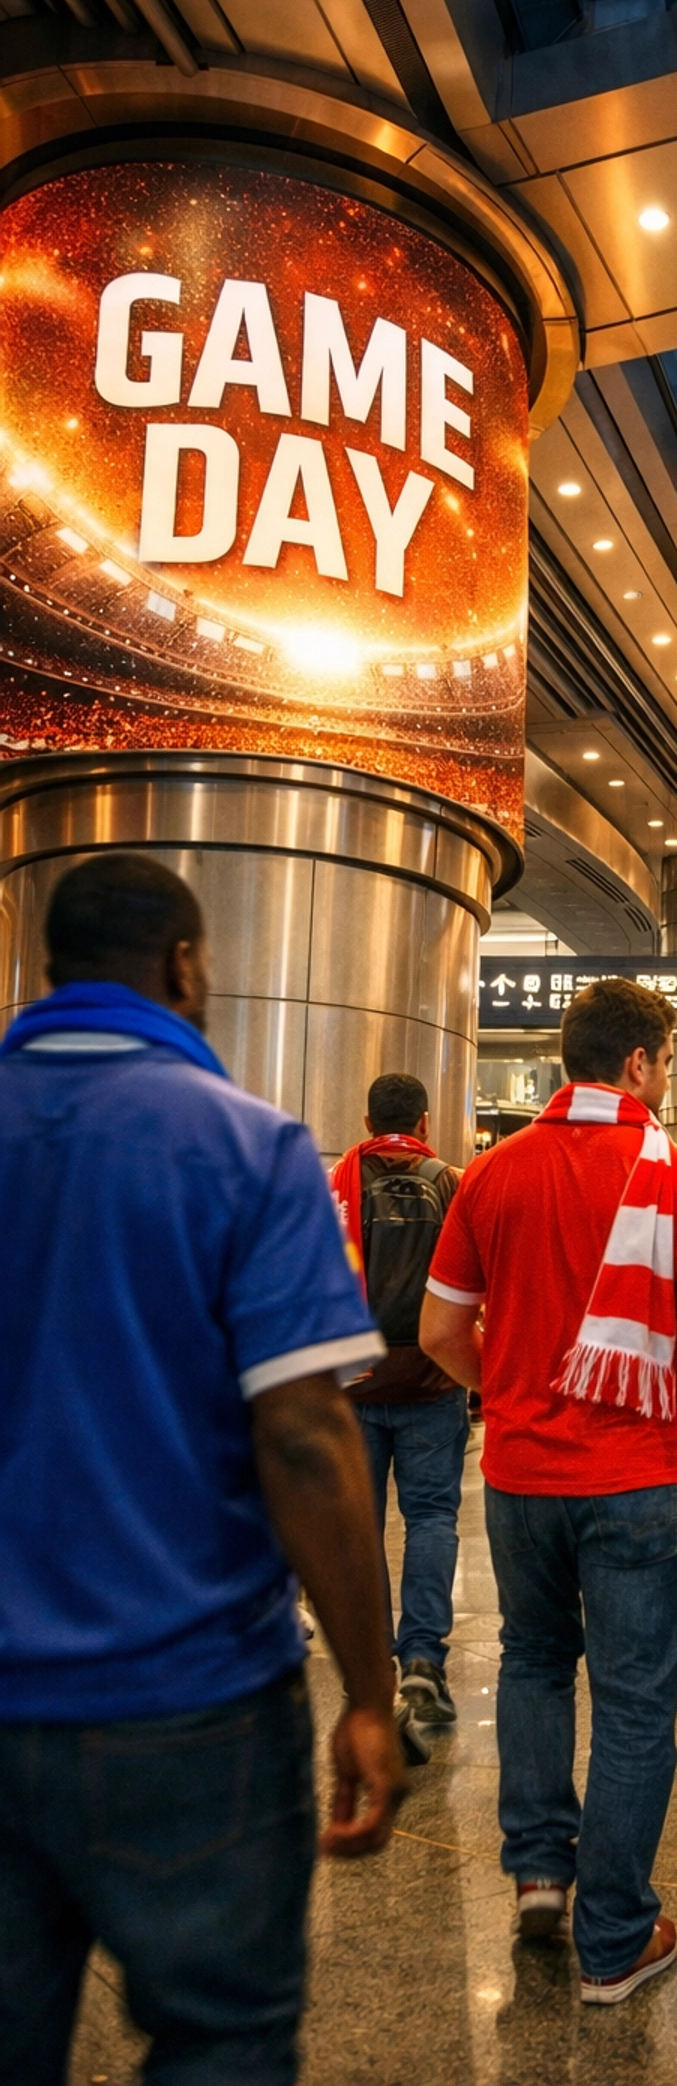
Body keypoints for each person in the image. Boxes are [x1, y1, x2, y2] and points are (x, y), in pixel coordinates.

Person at [0, 854, 405, 2084]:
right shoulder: (249, 1148)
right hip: (190, 1700)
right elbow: (303, 1436)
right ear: (185, 967)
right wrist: (371, 1689)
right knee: (219, 2039)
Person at [420, 979, 677, 2004]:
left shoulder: (493, 1172)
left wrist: (518, 1389)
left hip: (521, 1476)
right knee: (634, 1704)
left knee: (531, 1659)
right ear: (643, 1064)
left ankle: (537, 1873)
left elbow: (441, 1333)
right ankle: (613, 1937)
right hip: (641, 1480)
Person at [333, 1073, 464, 1729]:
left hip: (354, 1383)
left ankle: (371, 1668)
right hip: (432, 1379)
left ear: (366, 1122)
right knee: (433, 1518)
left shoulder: (337, 1185)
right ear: (424, 1122)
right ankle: (423, 1660)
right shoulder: (450, 1182)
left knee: (361, 1527)